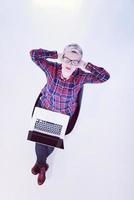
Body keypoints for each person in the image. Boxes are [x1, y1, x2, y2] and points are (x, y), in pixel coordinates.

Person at [29, 43, 110, 185]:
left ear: (78, 63)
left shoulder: (81, 77)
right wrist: (55, 55)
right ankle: (41, 164)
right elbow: (33, 55)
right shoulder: (52, 68)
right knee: (40, 140)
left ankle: (41, 164)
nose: (70, 64)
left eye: (75, 62)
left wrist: (85, 65)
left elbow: (104, 77)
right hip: (45, 110)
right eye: (67, 59)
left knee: (50, 143)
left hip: (62, 117)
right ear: (62, 57)